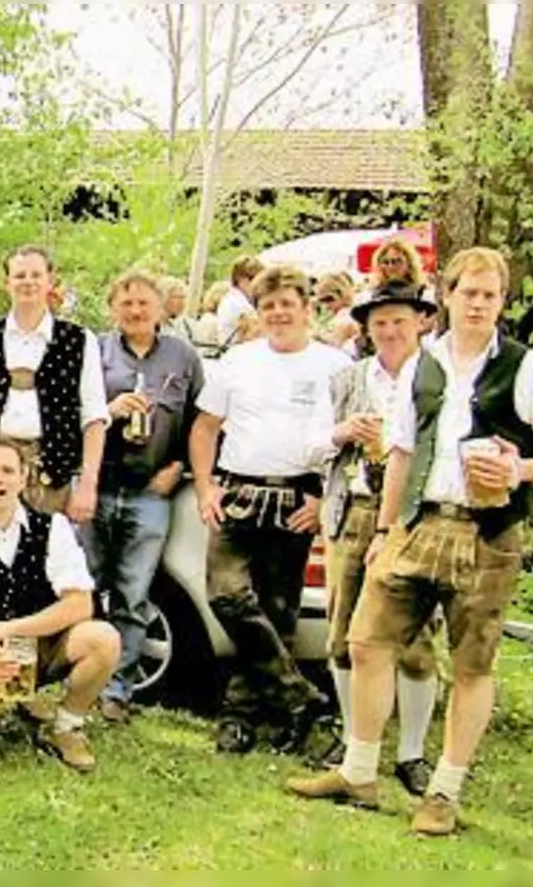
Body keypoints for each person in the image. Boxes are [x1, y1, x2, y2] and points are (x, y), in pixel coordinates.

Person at [288, 248, 533, 836]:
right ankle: (360, 771)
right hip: (417, 524)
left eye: (490, 295)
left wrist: (520, 470)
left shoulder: (531, 370)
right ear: (445, 296)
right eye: (468, 293)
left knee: (472, 664)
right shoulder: (425, 363)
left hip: (487, 533)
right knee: (367, 641)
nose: (478, 304)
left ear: (501, 301)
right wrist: (388, 530)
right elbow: (400, 451)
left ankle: (443, 792)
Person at [188, 265, 350, 754]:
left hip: (297, 495)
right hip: (238, 490)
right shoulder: (238, 361)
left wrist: (322, 501)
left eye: (287, 303)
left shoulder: (335, 366)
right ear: (258, 312)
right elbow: (204, 429)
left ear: (307, 307)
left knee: (277, 612)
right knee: (227, 596)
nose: (278, 313)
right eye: (269, 305)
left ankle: (242, 717)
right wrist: (204, 488)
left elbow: (348, 443)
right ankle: (299, 693)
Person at [306, 279, 440, 790]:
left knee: (413, 633)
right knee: (342, 629)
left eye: (399, 321)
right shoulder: (346, 379)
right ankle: (352, 737)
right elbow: (311, 445)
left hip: (414, 517)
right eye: (380, 323)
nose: (389, 331)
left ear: (421, 322)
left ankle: (411, 753)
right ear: (366, 327)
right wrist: (342, 433)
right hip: (353, 508)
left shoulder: (438, 378)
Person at [0, 440, 121, 772]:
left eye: (8, 471)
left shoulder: (54, 529)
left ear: (23, 478)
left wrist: (10, 630)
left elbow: (79, 605)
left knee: (104, 638)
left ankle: (64, 725)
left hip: (43, 647)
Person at [86, 269, 205, 722]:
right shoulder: (95, 352)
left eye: (143, 303)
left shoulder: (183, 357)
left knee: (135, 594)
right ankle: (80, 681)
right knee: (87, 588)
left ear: (160, 307)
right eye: (126, 303)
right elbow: (76, 413)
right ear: (113, 308)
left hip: (151, 492)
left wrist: (180, 468)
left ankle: (117, 690)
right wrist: (109, 410)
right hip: (98, 485)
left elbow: (202, 422)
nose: (135, 311)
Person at [0, 246, 109, 517]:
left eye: (36, 274)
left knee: (44, 556)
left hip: (52, 471)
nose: (28, 282)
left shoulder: (79, 339)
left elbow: (93, 416)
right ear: (6, 283)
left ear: (51, 280)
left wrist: (88, 484)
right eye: (20, 275)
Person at [216, 254, 264, 348]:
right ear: (241, 279)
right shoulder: (238, 304)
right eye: (256, 278)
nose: (261, 284)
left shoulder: (232, 299)